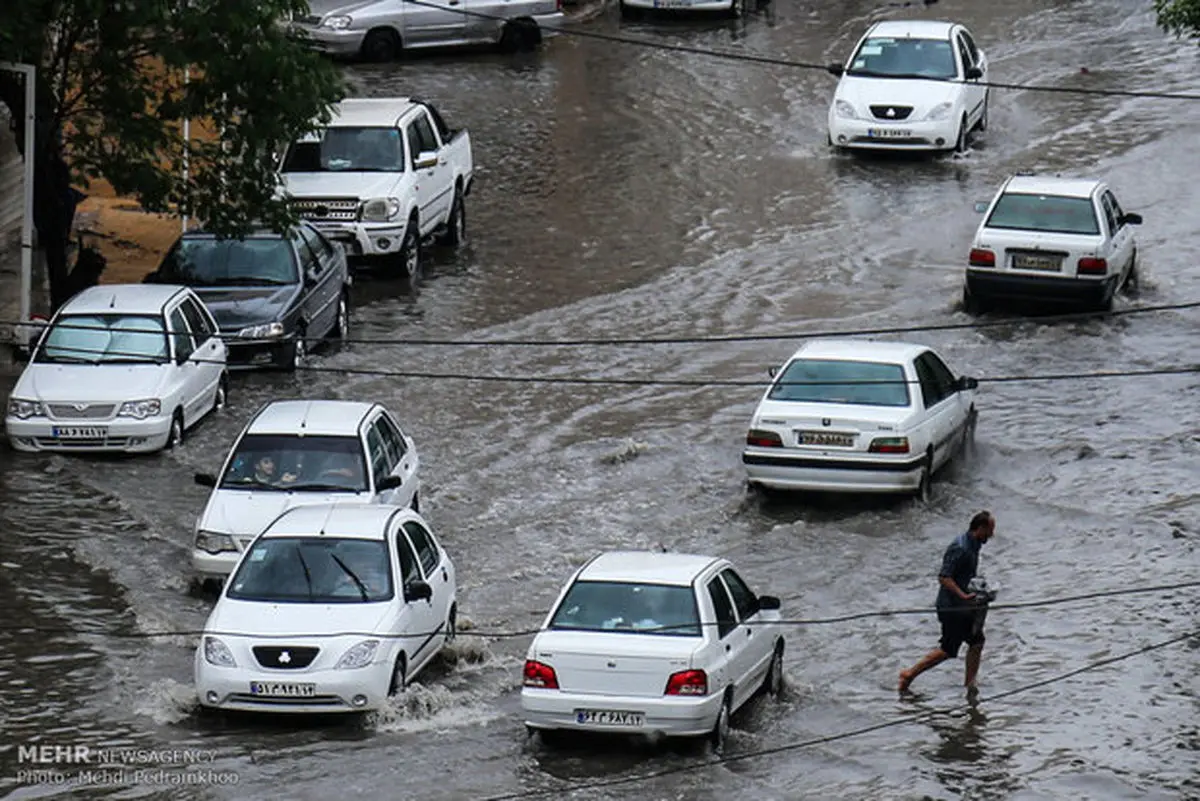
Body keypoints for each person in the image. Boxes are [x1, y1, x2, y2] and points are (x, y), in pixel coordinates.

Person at [898, 511, 996, 694]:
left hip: (963, 607)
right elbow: (944, 577)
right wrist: (963, 596)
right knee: (948, 650)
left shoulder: (974, 546)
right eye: (990, 530)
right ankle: (909, 674)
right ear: (980, 528)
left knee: (976, 641)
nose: (992, 535)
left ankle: (970, 684)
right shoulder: (960, 547)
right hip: (951, 608)